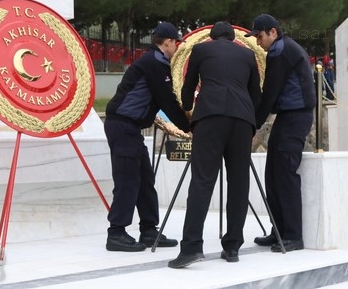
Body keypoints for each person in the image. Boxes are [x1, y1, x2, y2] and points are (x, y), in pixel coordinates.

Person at [168, 22, 261, 268]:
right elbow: (255, 95)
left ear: (211, 37)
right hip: (242, 121)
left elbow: (188, 87)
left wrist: (188, 109)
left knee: (202, 180)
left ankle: (191, 247)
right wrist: (251, 120)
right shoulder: (248, 54)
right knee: (239, 182)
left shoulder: (200, 51)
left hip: (210, 118)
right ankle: (232, 247)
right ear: (233, 38)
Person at [104, 21, 190, 252]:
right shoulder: (153, 62)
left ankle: (150, 231)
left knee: (145, 180)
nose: (177, 49)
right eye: (176, 44)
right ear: (168, 42)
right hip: (122, 126)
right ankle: (116, 233)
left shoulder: (157, 62)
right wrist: (190, 127)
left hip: (130, 128)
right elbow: (167, 102)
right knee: (127, 179)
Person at [244, 14, 316, 253]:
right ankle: (278, 231)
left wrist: (252, 124)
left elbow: (270, 95)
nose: (258, 42)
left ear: (273, 32)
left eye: (260, 36)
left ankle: (293, 236)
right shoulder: (282, 49)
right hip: (287, 117)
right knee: (272, 175)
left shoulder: (280, 52)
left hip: (296, 117)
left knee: (285, 176)